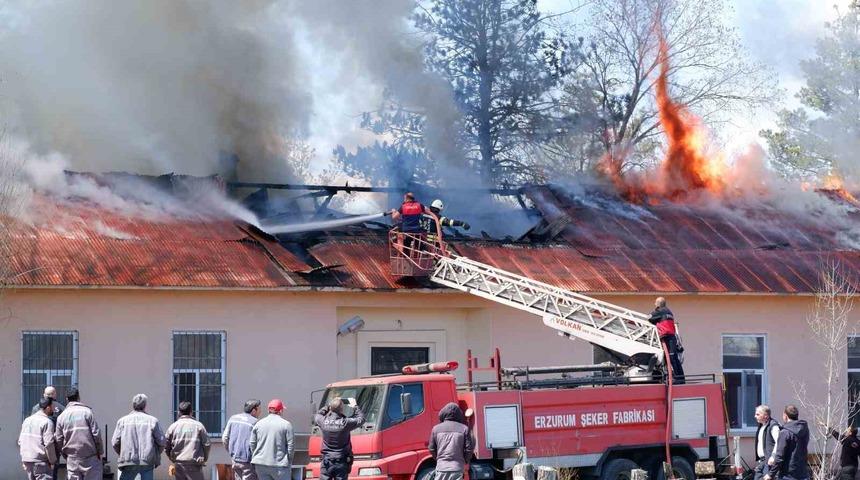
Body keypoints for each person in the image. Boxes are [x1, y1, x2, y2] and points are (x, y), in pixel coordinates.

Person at [112, 394, 166, 480]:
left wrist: (123, 453)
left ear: (133, 405)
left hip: (128, 461)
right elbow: (162, 442)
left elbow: (115, 442)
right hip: (147, 461)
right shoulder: (153, 421)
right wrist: (155, 453)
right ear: (145, 406)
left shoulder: (122, 421)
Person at [55, 387, 103, 480]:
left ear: (67, 399)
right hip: (90, 458)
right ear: (78, 397)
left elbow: (58, 439)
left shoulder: (61, 417)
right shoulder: (87, 412)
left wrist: (65, 455)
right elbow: (96, 433)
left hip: (72, 459)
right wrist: (100, 452)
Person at [314, 397, 366, 480]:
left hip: (327, 462)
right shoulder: (345, 423)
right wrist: (355, 406)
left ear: (330, 408)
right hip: (341, 462)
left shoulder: (323, 421)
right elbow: (361, 419)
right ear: (342, 410)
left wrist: (327, 406)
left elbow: (317, 415)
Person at [165, 401, 211, 480]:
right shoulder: (198, 426)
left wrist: (172, 458)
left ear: (179, 412)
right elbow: (207, 444)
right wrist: (204, 458)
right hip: (194, 464)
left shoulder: (173, 427)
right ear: (191, 412)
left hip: (179, 464)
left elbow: (166, 445)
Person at [250, 399, 294, 480]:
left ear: (268, 410)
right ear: (280, 411)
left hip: (260, 464)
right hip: (279, 465)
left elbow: (252, 443)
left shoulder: (258, 423)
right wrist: (288, 461)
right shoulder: (286, 425)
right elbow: (291, 446)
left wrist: (256, 455)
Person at [428, 402, 475, 480]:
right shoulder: (464, 428)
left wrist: (439, 459)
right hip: (457, 468)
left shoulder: (436, 429)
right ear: (459, 415)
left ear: (443, 414)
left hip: (441, 467)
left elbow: (431, 448)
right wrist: (464, 461)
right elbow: (469, 449)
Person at [764, 405, 809, 480]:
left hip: (788, 474)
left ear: (785, 415)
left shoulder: (784, 432)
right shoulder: (804, 429)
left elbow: (779, 456)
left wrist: (770, 474)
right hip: (803, 472)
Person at [648, 297, 685, 384]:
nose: (654, 304)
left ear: (658, 304)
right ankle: (681, 378)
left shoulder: (660, 311)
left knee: (671, 358)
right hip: (671, 337)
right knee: (674, 358)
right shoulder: (669, 311)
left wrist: (654, 313)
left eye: (655, 303)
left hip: (667, 337)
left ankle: (677, 378)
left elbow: (649, 317)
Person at [19, 396, 58, 480]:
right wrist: (52, 461)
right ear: (48, 408)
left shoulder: (27, 420)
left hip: (28, 461)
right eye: (53, 406)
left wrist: (24, 460)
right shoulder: (47, 422)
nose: (54, 409)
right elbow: (49, 444)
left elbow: (21, 441)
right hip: (41, 463)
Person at [223, 399, 262, 480]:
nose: (260, 412)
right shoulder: (255, 422)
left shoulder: (233, 418)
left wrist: (231, 452)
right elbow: (256, 443)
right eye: (259, 409)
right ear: (254, 410)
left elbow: (225, 438)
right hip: (248, 461)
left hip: (235, 459)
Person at [31, 386, 64, 479]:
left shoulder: (36, 408)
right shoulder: (61, 408)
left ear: (44, 395)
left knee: (37, 472)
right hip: (53, 445)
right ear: (55, 395)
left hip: (38, 445)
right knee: (53, 472)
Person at [754, 405, 781, 480]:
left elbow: (779, 442)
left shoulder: (773, 426)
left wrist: (773, 456)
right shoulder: (762, 426)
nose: (755, 416)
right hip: (762, 461)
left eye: (758, 414)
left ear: (766, 416)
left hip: (770, 462)